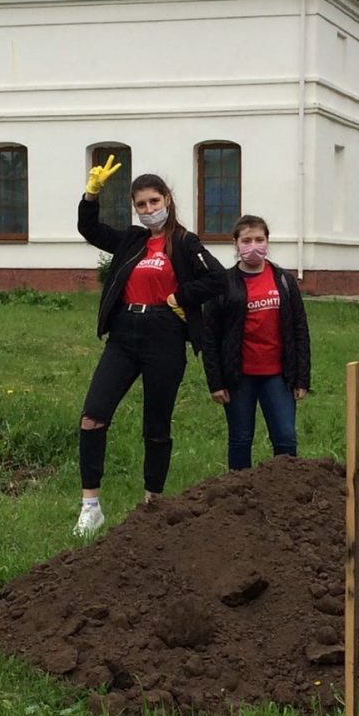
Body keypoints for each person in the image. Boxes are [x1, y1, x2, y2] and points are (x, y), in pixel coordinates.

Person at [74, 156, 225, 535]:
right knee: (92, 416)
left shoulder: (185, 243)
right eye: (140, 204)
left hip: (164, 335)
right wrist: (91, 195)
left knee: (156, 425)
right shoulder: (132, 239)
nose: (148, 210)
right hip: (124, 333)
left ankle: (152, 503)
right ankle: (90, 506)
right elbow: (89, 229)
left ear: (167, 200)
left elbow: (220, 279)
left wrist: (180, 297)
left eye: (153, 202)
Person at [201, 214, 311, 469]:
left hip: (278, 376)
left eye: (259, 239)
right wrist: (216, 382)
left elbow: (299, 329)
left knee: (285, 438)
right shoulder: (223, 285)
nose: (254, 246)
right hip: (239, 377)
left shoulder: (284, 281)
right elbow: (210, 336)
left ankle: (286, 491)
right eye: (247, 240)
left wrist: (302, 378)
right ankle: (239, 498)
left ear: (267, 242)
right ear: (236, 244)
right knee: (240, 440)